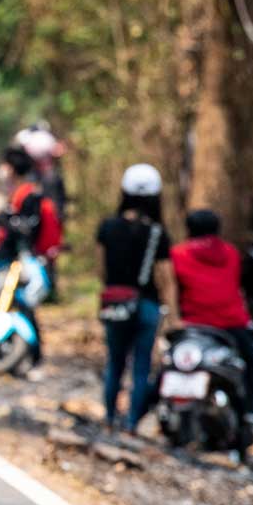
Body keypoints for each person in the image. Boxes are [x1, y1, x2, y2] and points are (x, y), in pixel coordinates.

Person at [170, 209, 253, 433]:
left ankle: (129, 418)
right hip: (232, 324)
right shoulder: (230, 253)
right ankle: (252, 412)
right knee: (252, 362)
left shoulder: (177, 254)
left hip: (193, 324)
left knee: (168, 364)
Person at [96, 164, 173, 432]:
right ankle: (131, 423)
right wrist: (172, 311)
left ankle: (109, 418)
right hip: (147, 305)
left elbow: (101, 268)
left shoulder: (108, 227)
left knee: (115, 362)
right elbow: (165, 276)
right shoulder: (157, 232)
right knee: (141, 366)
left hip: (116, 302)